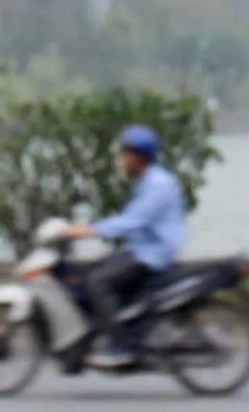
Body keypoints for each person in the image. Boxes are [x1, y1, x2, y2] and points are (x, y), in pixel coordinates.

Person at [63, 125, 184, 369]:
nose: (122, 160)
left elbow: (131, 222)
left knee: (97, 282)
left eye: (125, 154)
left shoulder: (157, 185)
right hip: (139, 249)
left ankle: (122, 345)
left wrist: (88, 230)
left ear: (139, 157)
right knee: (89, 271)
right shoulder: (147, 181)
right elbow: (128, 220)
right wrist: (87, 228)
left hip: (151, 255)